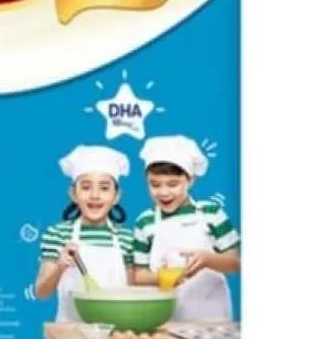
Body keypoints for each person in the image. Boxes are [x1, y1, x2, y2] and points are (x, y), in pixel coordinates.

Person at [131, 135, 240, 321]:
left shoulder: (211, 213)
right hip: (164, 317)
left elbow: (235, 262)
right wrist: (165, 277)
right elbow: (139, 276)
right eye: (155, 184)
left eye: (173, 184)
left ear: (190, 180)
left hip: (211, 316)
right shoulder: (145, 222)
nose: (163, 192)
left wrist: (208, 260)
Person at [34, 145, 134, 322]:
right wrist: (60, 266)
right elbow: (41, 292)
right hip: (69, 332)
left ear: (116, 196)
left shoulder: (126, 238)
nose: (95, 195)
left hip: (114, 330)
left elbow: (132, 293)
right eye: (86, 187)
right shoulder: (57, 234)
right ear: (73, 194)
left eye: (104, 188)